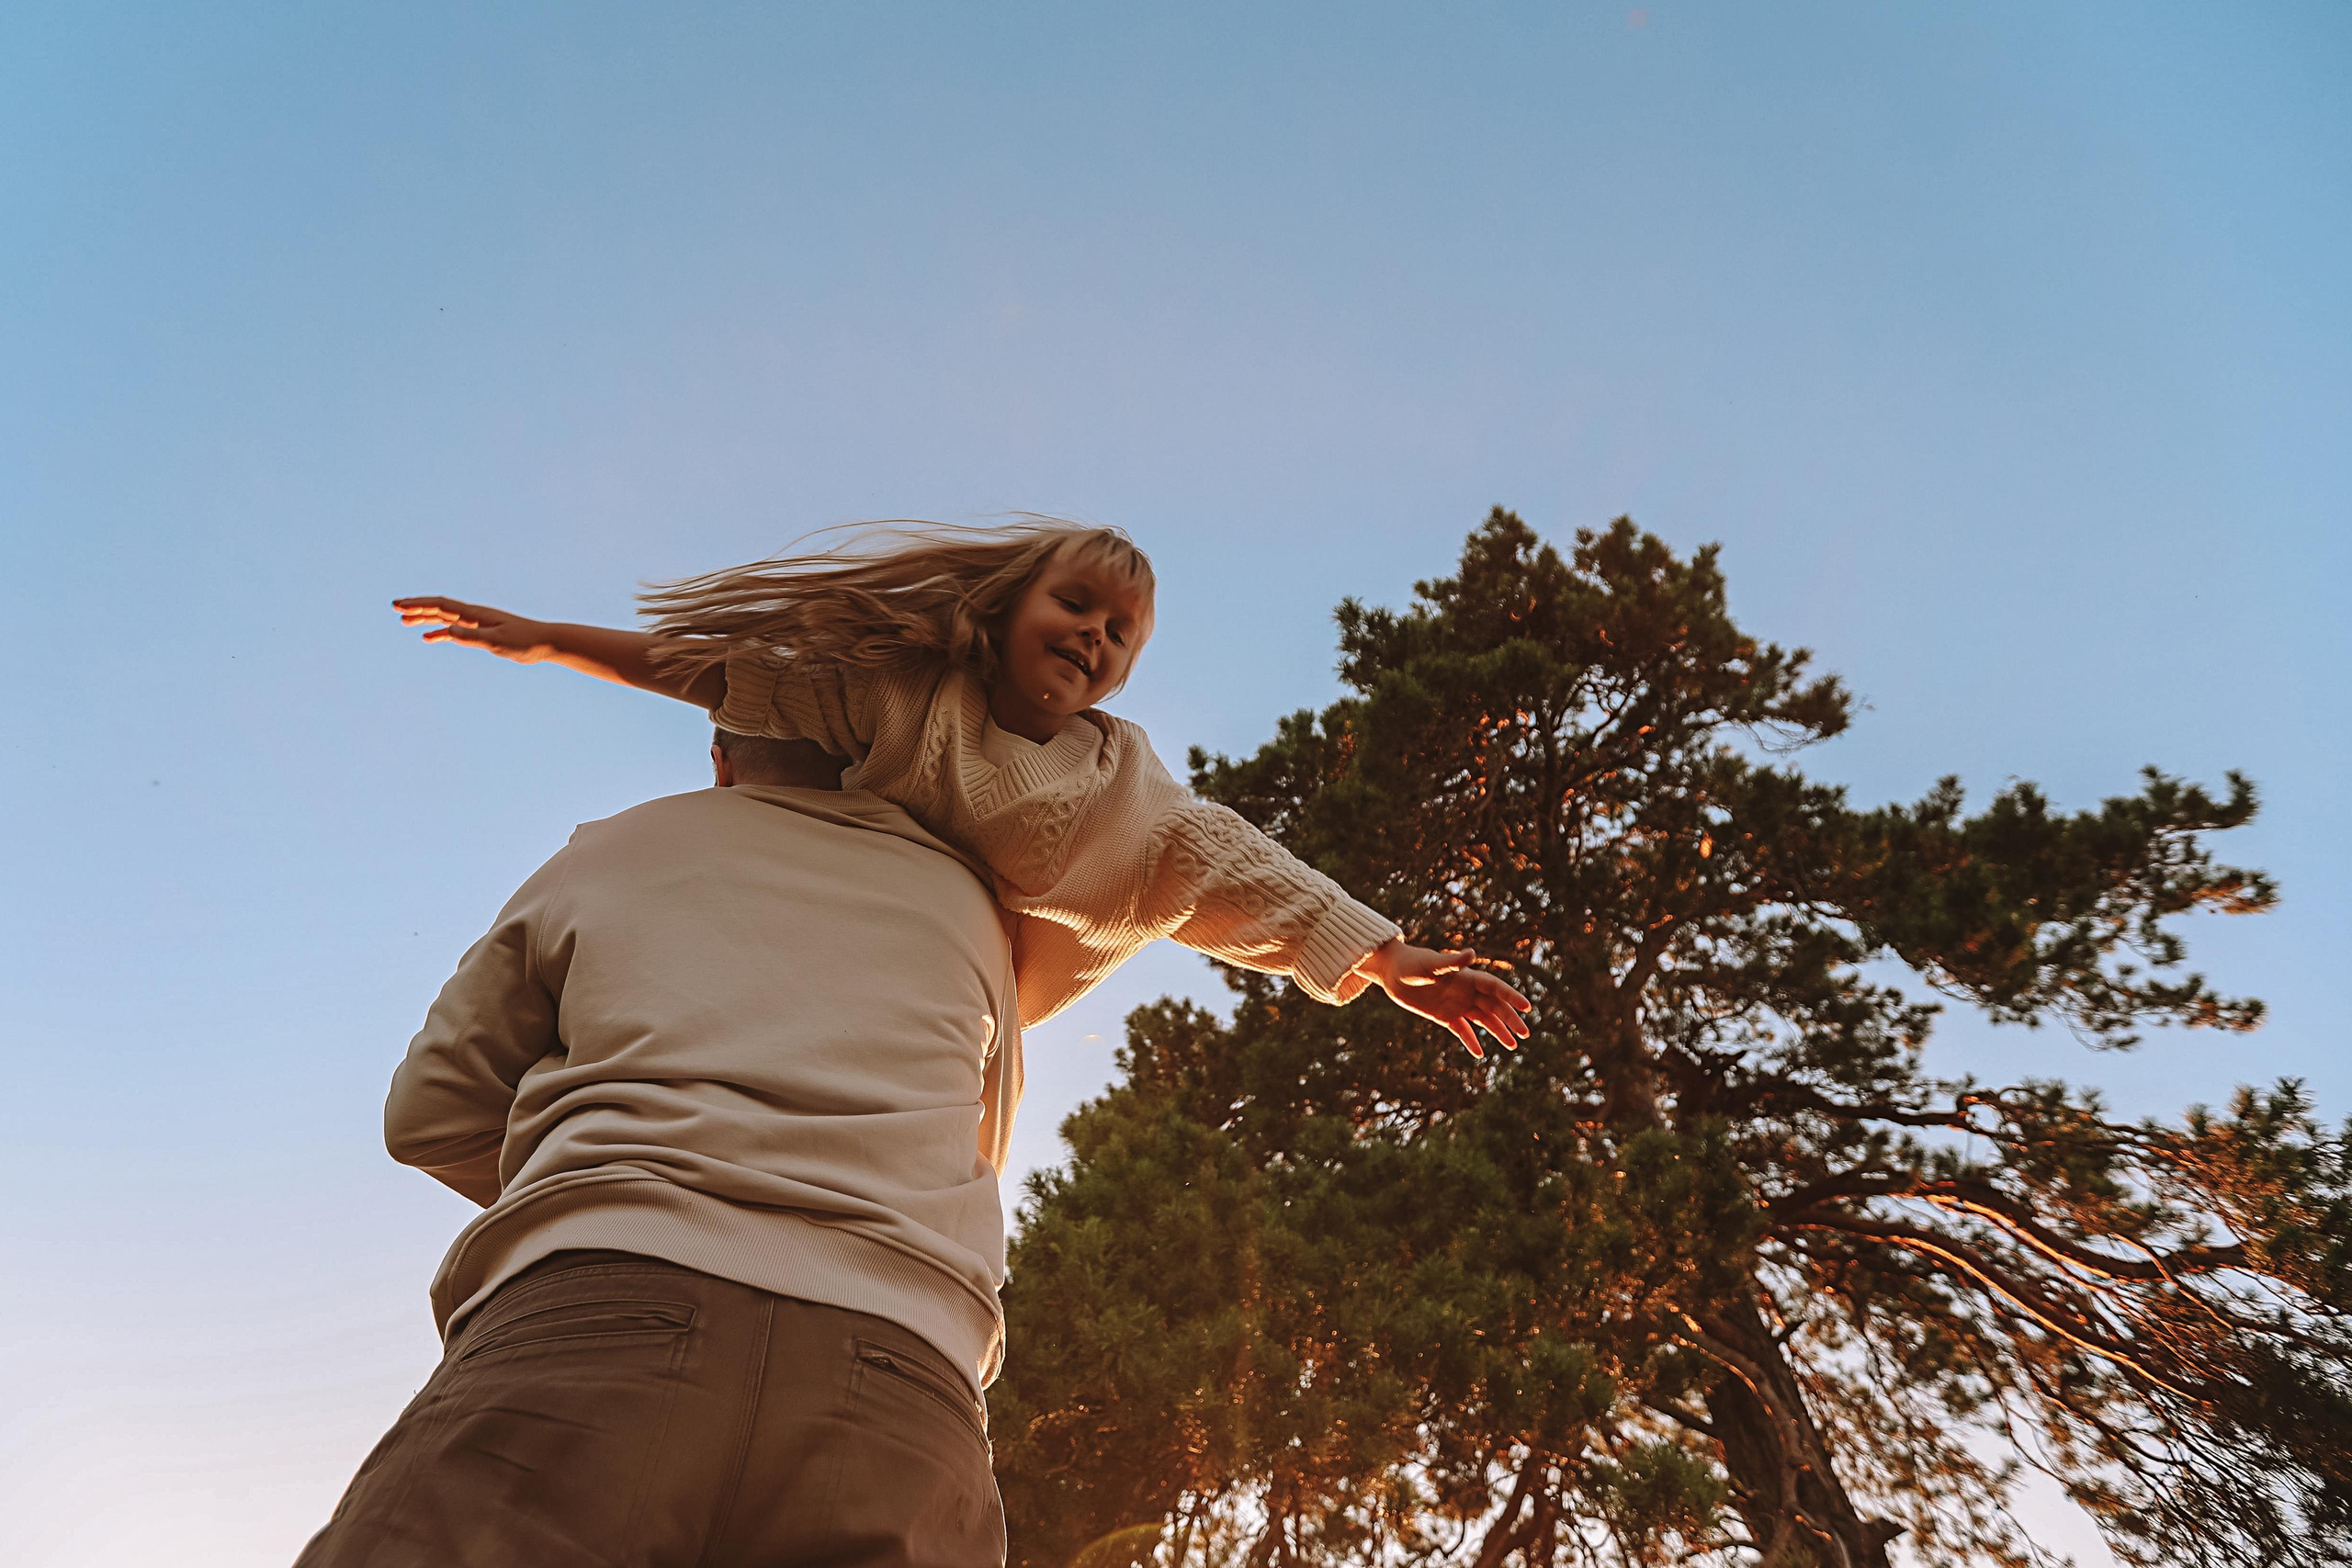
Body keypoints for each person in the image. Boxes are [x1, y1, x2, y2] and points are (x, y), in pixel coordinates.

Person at [395, 519, 1532, 1057]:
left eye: (1119, 634)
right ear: (998, 616)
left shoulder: (1113, 784)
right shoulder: (904, 696)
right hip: (841, 950)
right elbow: (730, 675)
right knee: (771, 731)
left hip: (993, 989)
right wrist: (551, 639)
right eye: (1074, 606)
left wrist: (1384, 957)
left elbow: (1232, 869)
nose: (1094, 635)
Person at [298, 730, 1021, 1567]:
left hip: (594, 1319)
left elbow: (426, 1112)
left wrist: (596, 1167)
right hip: (903, 1368)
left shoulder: (616, 846)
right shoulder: (970, 903)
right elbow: (976, 1147)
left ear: (720, 755)